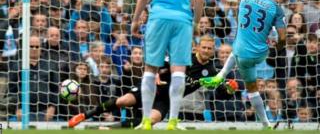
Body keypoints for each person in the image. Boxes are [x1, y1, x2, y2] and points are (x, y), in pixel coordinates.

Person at [67, 35, 239, 128]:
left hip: (167, 100)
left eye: (210, 48)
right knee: (123, 100)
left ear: (212, 51)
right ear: (197, 48)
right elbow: (156, 62)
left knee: (150, 120)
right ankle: (84, 116)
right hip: (154, 88)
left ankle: (109, 129)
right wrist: (156, 75)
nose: (207, 50)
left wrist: (228, 90)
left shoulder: (212, 70)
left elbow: (219, 93)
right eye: (204, 47)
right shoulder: (183, 56)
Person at [200, 0, 286, 130]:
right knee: (252, 88)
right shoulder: (276, 8)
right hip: (258, 53)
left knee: (239, 48)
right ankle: (266, 125)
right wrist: (277, 46)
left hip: (242, 50)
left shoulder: (244, 0)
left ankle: (220, 76)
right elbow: (283, 37)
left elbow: (243, 22)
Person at [131, 0, 205, 130]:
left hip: (157, 18)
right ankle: (173, 121)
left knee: (150, 69)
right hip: (182, 19)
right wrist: (196, 22)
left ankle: (146, 121)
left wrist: (135, 21)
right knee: (178, 70)